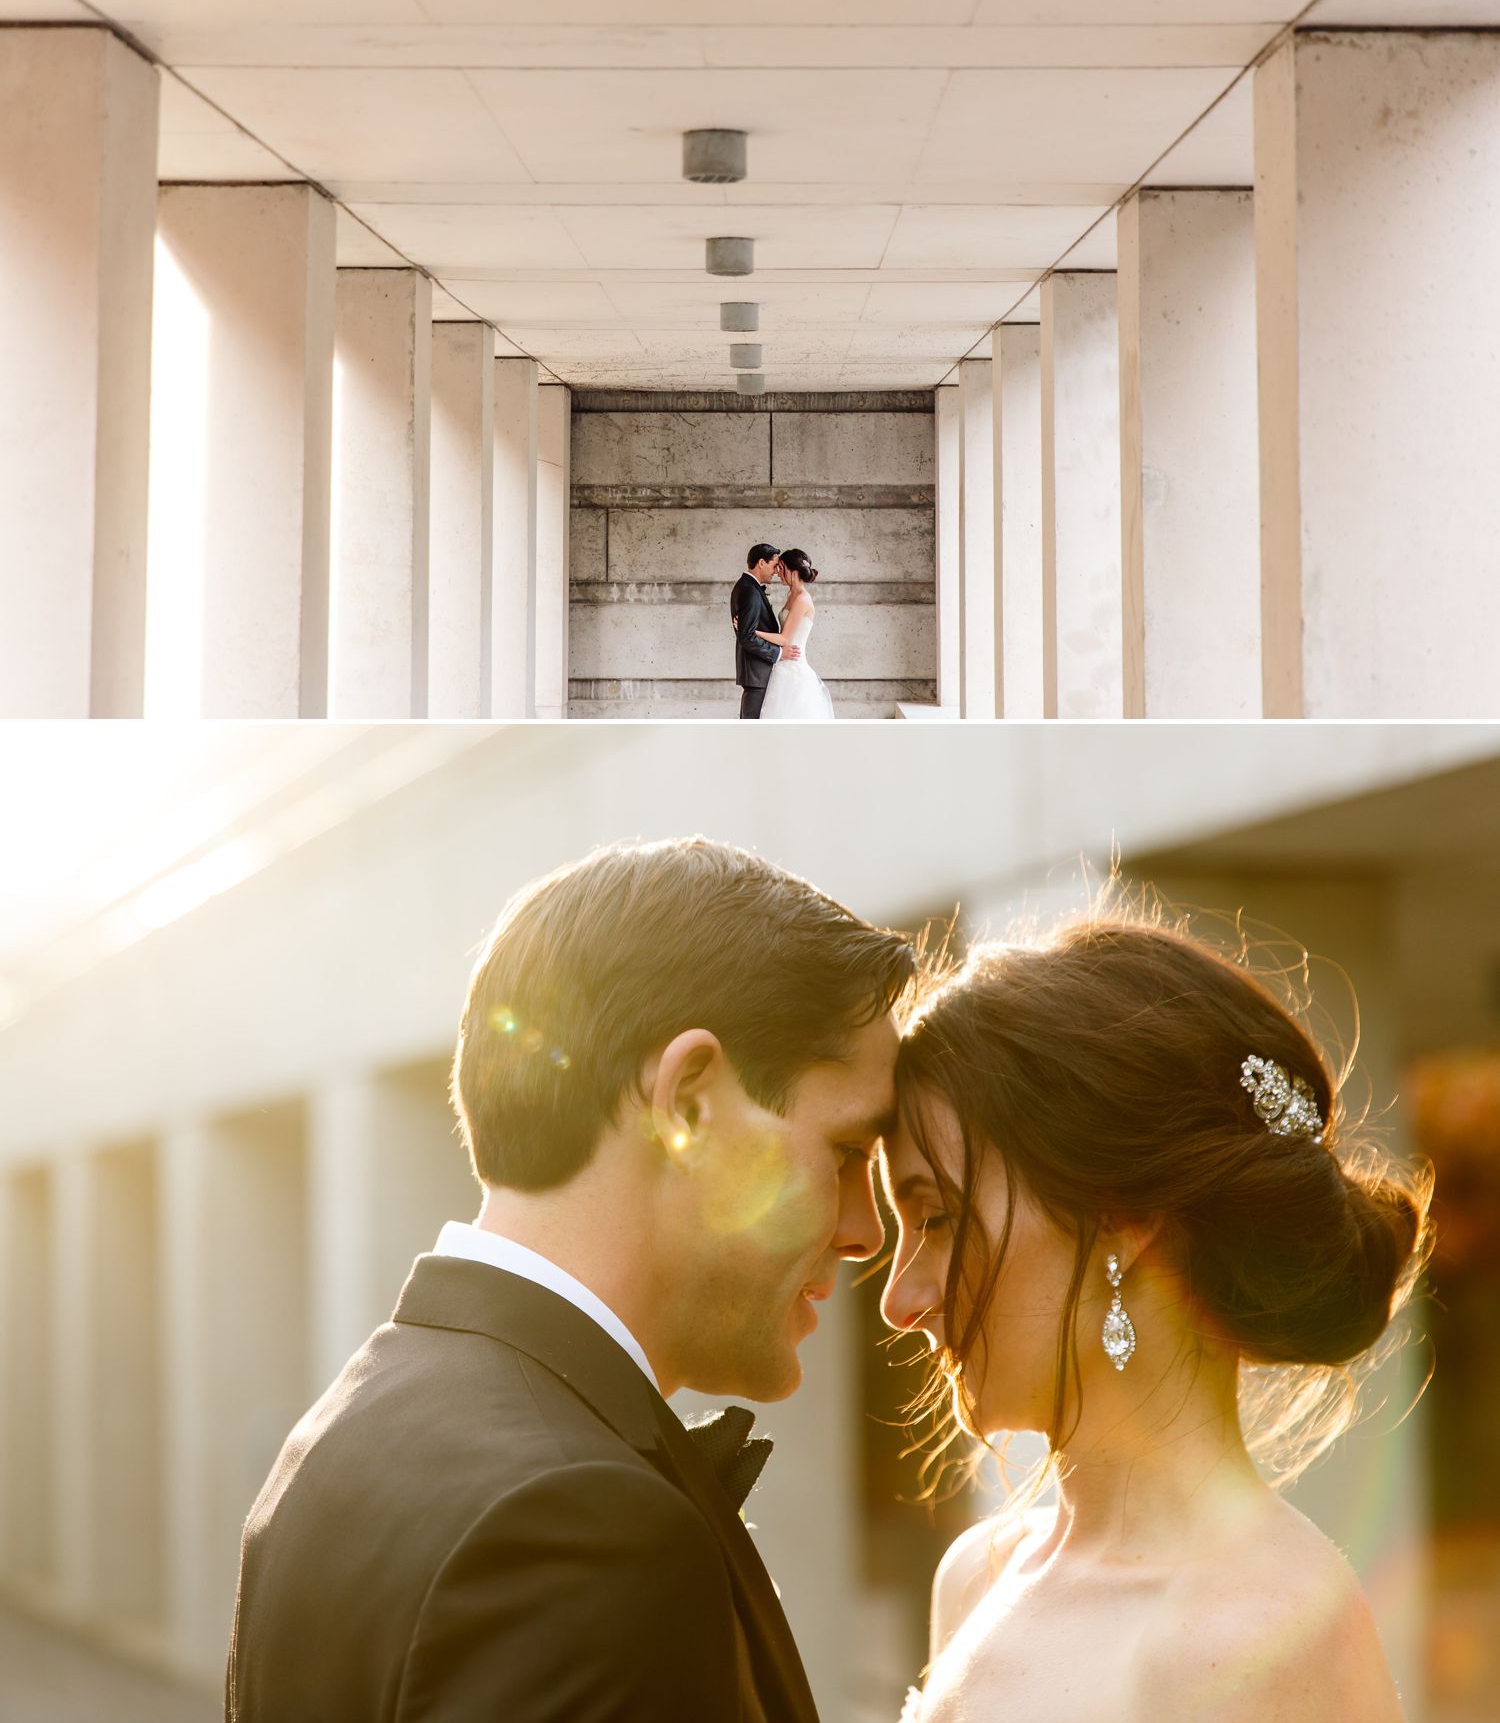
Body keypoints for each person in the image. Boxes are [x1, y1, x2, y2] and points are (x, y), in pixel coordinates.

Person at [226, 834, 910, 1723]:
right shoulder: (587, 1530)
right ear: (690, 1104)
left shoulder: (340, 1431)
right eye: (848, 1151)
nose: (866, 1232)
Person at [882, 903, 1425, 1721]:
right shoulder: (978, 1575)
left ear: (1119, 1219)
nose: (900, 1299)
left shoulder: (1257, 1637)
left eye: (938, 1219)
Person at [759, 552, 834, 722]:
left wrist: (752, 632)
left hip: (794, 671)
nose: (777, 572)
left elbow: (785, 638)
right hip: (782, 665)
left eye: (781, 568)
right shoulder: (791, 596)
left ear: (793, 571)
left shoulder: (802, 600)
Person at [730, 545, 784, 717]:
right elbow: (747, 636)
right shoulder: (749, 591)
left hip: (757, 672)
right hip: (756, 674)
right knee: (750, 727)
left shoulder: (748, 587)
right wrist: (778, 653)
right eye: (774, 565)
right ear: (761, 563)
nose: (776, 571)